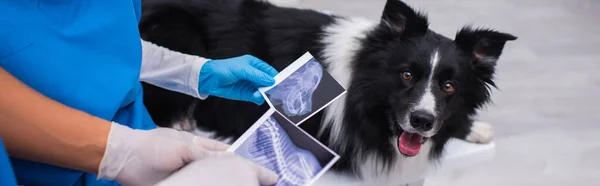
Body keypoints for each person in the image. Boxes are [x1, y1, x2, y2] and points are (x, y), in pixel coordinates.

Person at [0, 0, 278, 186]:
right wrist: (117, 151)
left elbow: (110, 42)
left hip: (145, 142)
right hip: (45, 169)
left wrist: (196, 72)